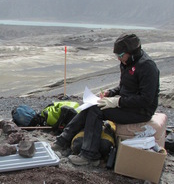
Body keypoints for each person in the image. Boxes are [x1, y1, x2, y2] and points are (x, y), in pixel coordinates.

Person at [52, 33, 160, 166]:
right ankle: (63, 140)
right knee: (91, 105)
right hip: (128, 105)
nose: (119, 59)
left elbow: (146, 99)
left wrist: (117, 101)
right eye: (117, 56)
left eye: (120, 55)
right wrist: (111, 93)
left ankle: (89, 156)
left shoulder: (147, 67)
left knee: (97, 111)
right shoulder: (128, 63)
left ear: (131, 53)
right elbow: (124, 87)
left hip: (141, 111)